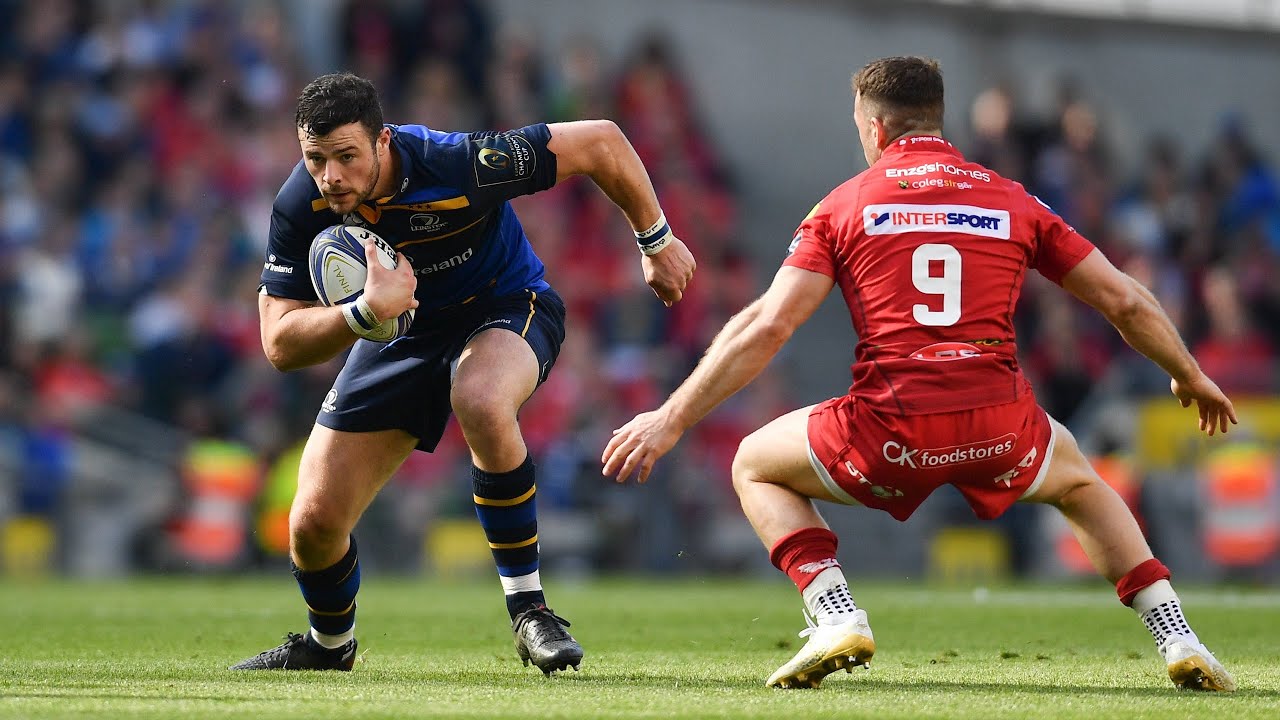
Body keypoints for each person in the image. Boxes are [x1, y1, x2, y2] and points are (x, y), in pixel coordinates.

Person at [602, 56, 1237, 692]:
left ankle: (835, 614)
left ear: (876, 130)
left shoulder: (844, 205)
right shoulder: (1014, 200)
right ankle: (1178, 635)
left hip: (890, 433)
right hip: (1000, 429)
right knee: (1080, 483)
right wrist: (1188, 372)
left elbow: (770, 325)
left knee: (752, 463)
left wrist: (671, 416)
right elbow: (1123, 299)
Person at [234, 72, 695, 674]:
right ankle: (328, 648)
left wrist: (655, 241)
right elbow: (278, 342)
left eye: (346, 156)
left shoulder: (458, 162)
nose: (331, 177)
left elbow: (601, 141)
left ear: (383, 142)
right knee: (314, 524)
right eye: (315, 159)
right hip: (399, 332)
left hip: (505, 305)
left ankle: (531, 612)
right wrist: (363, 312)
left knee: (479, 397)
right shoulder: (301, 205)